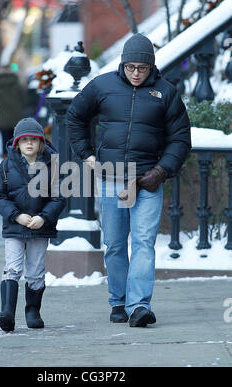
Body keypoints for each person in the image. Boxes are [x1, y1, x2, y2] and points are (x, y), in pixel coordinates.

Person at [67, 33, 191, 327]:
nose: (136, 73)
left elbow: (181, 138)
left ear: (152, 67)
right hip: (111, 179)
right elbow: (74, 117)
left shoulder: (166, 93)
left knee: (144, 242)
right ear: (123, 64)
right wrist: (87, 155)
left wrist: (161, 171)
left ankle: (139, 306)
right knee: (114, 244)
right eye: (131, 67)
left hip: (146, 181)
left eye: (142, 68)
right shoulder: (102, 86)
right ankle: (118, 300)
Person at [0, 117, 65, 332]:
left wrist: (43, 217)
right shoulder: (6, 166)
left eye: (34, 139)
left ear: (41, 143)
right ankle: (7, 313)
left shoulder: (52, 167)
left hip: (40, 228)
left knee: (35, 271)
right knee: (12, 267)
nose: (29, 143)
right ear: (17, 144)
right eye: (24, 140)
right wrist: (15, 215)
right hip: (14, 226)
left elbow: (59, 197)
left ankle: (33, 310)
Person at [0, 65, 26, 158]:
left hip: (3, 117)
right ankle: (16, 160)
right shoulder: (16, 82)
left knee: (4, 142)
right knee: (16, 141)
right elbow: (24, 98)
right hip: (16, 117)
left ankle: (6, 162)